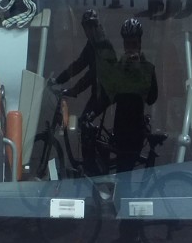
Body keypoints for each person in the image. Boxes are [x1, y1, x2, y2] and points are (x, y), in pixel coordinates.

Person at [50, 10, 117, 173]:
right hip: (99, 93)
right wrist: (58, 80)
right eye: (86, 27)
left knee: (85, 125)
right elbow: (79, 64)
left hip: (106, 95)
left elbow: (92, 74)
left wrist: (74, 90)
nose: (88, 31)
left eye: (91, 26)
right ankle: (91, 163)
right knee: (86, 126)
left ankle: (92, 167)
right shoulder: (92, 44)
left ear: (96, 26)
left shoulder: (103, 45)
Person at [104, 17, 159, 172]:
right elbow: (110, 94)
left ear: (140, 44)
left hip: (136, 130)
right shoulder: (118, 67)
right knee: (121, 171)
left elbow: (152, 98)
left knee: (126, 172)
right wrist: (122, 68)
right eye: (127, 44)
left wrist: (139, 70)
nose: (131, 48)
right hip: (120, 129)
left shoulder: (148, 68)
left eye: (133, 44)